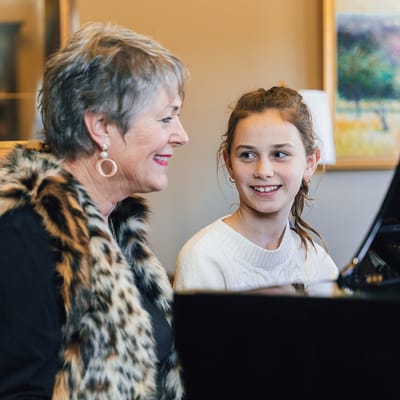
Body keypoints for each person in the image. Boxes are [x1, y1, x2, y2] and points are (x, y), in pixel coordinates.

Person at [0, 21, 189, 399]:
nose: (181, 135)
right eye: (166, 117)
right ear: (101, 126)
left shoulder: (116, 222)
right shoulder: (24, 235)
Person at [174, 86, 339, 295]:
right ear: (229, 163)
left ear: (310, 163)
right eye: (247, 155)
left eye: (279, 154)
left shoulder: (316, 261)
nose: (263, 171)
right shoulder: (203, 258)